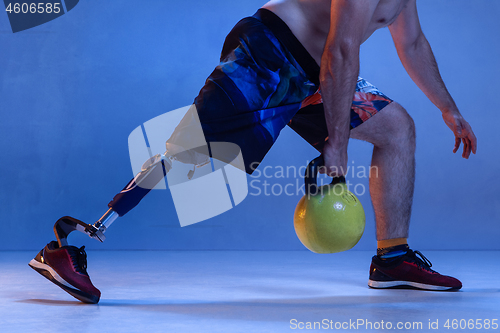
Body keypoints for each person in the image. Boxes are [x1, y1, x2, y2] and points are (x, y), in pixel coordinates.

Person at [28, 0, 477, 304]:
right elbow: (341, 50)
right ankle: (67, 246)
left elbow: (412, 42)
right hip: (270, 52)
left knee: (398, 128)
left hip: (312, 73)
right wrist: (336, 143)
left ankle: (393, 259)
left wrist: (449, 108)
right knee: (189, 154)